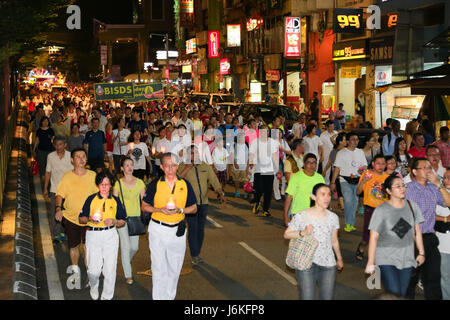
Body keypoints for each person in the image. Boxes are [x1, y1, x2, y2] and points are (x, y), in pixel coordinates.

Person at [141, 153, 197, 300]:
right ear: (161, 167)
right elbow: (144, 206)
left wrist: (181, 210)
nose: (170, 168)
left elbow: (194, 207)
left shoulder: (184, 184)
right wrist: (160, 210)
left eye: (173, 165)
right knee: (158, 268)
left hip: (177, 231)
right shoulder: (155, 184)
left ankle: (169, 297)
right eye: (167, 165)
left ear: (178, 166)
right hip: (158, 229)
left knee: (175, 267)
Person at [365, 174, 425, 297]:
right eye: (398, 186)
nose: (402, 188)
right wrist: (371, 262)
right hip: (386, 258)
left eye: (403, 185)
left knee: (401, 295)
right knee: (394, 293)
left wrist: (421, 252)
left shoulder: (411, 206)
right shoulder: (381, 210)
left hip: (406, 258)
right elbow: (374, 237)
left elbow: (416, 231)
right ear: (388, 191)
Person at [283, 183, 344, 300]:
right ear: (313, 196)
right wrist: (303, 232)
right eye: (323, 194)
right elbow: (287, 234)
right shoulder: (302, 215)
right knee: (307, 297)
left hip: (328, 263)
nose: (327, 198)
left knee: (327, 297)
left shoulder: (333, 217)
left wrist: (339, 258)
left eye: (329, 195)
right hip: (306, 262)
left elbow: (334, 240)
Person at [405, 157, 450, 300]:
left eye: (429, 167)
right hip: (411, 239)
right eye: (424, 167)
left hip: (429, 238)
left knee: (433, 280)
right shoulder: (408, 189)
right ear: (414, 172)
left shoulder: (433, 187)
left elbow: (448, 203)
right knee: (410, 280)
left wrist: (438, 184)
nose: (428, 170)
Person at [79, 170, 126, 300]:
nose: (104, 187)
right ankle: (94, 285)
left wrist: (114, 221)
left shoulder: (115, 200)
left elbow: (122, 221)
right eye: (102, 184)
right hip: (93, 235)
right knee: (94, 270)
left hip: (110, 235)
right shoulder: (91, 199)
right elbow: (81, 219)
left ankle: (107, 296)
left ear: (111, 185)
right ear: (98, 185)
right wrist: (90, 219)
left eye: (107, 184)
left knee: (110, 270)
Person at [55, 148, 98, 286]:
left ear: (86, 159)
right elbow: (59, 194)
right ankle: (75, 273)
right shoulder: (67, 177)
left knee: (87, 248)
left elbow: (101, 195)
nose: (81, 159)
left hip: (89, 219)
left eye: (83, 156)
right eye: (78, 156)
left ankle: (90, 275)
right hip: (71, 218)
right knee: (73, 246)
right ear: (72, 160)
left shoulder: (93, 176)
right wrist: (58, 209)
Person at [178, 145, 226, 265]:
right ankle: (195, 255)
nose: (195, 155)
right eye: (192, 153)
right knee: (193, 229)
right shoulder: (183, 166)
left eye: (196, 153)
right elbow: (177, 180)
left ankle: (196, 252)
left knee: (200, 230)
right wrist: (188, 168)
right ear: (188, 155)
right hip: (190, 205)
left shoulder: (205, 166)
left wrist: (220, 192)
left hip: (204, 203)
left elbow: (214, 180)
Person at [113, 157, 146, 285]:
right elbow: (114, 202)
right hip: (122, 220)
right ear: (122, 168)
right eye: (126, 165)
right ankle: (128, 274)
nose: (129, 167)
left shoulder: (140, 183)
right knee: (125, 247)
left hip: (136, 218)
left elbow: (145, 201)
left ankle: (126, 261)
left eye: (131, 164)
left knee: (135, 247)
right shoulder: (118, 184)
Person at [331, 132, 368, 232]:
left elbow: (364, 166)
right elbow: (337, 168)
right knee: (348, 200)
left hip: (357, 180)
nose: (356, 141)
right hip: (344, 180)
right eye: (353, 139)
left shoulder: (360, 152)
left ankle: (352, 223)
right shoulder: (341, 153)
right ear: (347, 141)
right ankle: (348, 223)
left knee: (355, 202)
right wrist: (333, 182)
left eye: (357, 139)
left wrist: (362, 170)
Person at [355, 155, 389, 261]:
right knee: (368, 234)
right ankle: (361, 246)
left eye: (383, 163)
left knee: (382, 234)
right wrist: (364, 181)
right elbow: (358, 192)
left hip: (384, 209)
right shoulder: (367, 175)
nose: (381, 166)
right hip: (370, 208)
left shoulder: (387, 177)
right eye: (378, 163)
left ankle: (378, 256)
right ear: (373, 164)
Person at [43, 136, 73, 242]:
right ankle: (56, 234)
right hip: (55, 190)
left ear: (65, 145)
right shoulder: (50, 156)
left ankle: (65, 232)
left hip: (69, 190)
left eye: (60, 144)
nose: (58, 147)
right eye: (56, 144)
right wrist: (45, 188)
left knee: (67, 212)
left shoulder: (71, 156)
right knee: (54, 212)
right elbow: (48, 172)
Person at [284, 153, 325, 227]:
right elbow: (289, 197)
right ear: (304, 164)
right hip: (298, 214)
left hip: (315, 214)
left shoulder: (320, 178)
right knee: (300, 238)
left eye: (314, 163)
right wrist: (285, 216)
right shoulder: (296, 177)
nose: (311, 165)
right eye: (309, 162)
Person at [249, 125, 281, 217]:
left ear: (268, 132)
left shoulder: (272, 142)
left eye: (266, 131)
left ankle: (266, 209)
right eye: (262, 131)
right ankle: (257, 202)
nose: (264, 133)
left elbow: (275, 155)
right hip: (258, 169)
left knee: (268, 191)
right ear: (259, 132)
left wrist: (277, 168)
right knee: (258, 189)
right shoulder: (255, 142)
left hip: (269, 170)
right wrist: (251, 162)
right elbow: (251, 153)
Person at [435, 168, 450, 300]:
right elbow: (429, 215)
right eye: (444, 177)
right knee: (445, 277)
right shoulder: (438, 195)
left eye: (449, 177)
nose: (446, 180)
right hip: (443, 243)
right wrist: (445, 219)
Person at [323, 132, 347, 210]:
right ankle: (342, 206)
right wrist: (324, 171)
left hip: (344, 175)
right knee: (338, 190)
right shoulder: (334, 152)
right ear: (340, 142)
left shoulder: (347, 151)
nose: (346, 141)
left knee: (341, 190)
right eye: (344, 140)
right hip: (336, 175)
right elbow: (329, 163)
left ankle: (341, 204)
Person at [230, 131, 249, 198]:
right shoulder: (234, 145)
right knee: (236, 180)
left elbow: (249, 157)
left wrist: (247, 166)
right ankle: (237, 191)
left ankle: (246, 192)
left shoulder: (247, 145)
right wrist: (235, 163)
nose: (241, 138)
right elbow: (231, 155)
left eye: (243, 137)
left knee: (245, 180)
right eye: (240, 137)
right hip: (236, 166)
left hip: (244, 166)